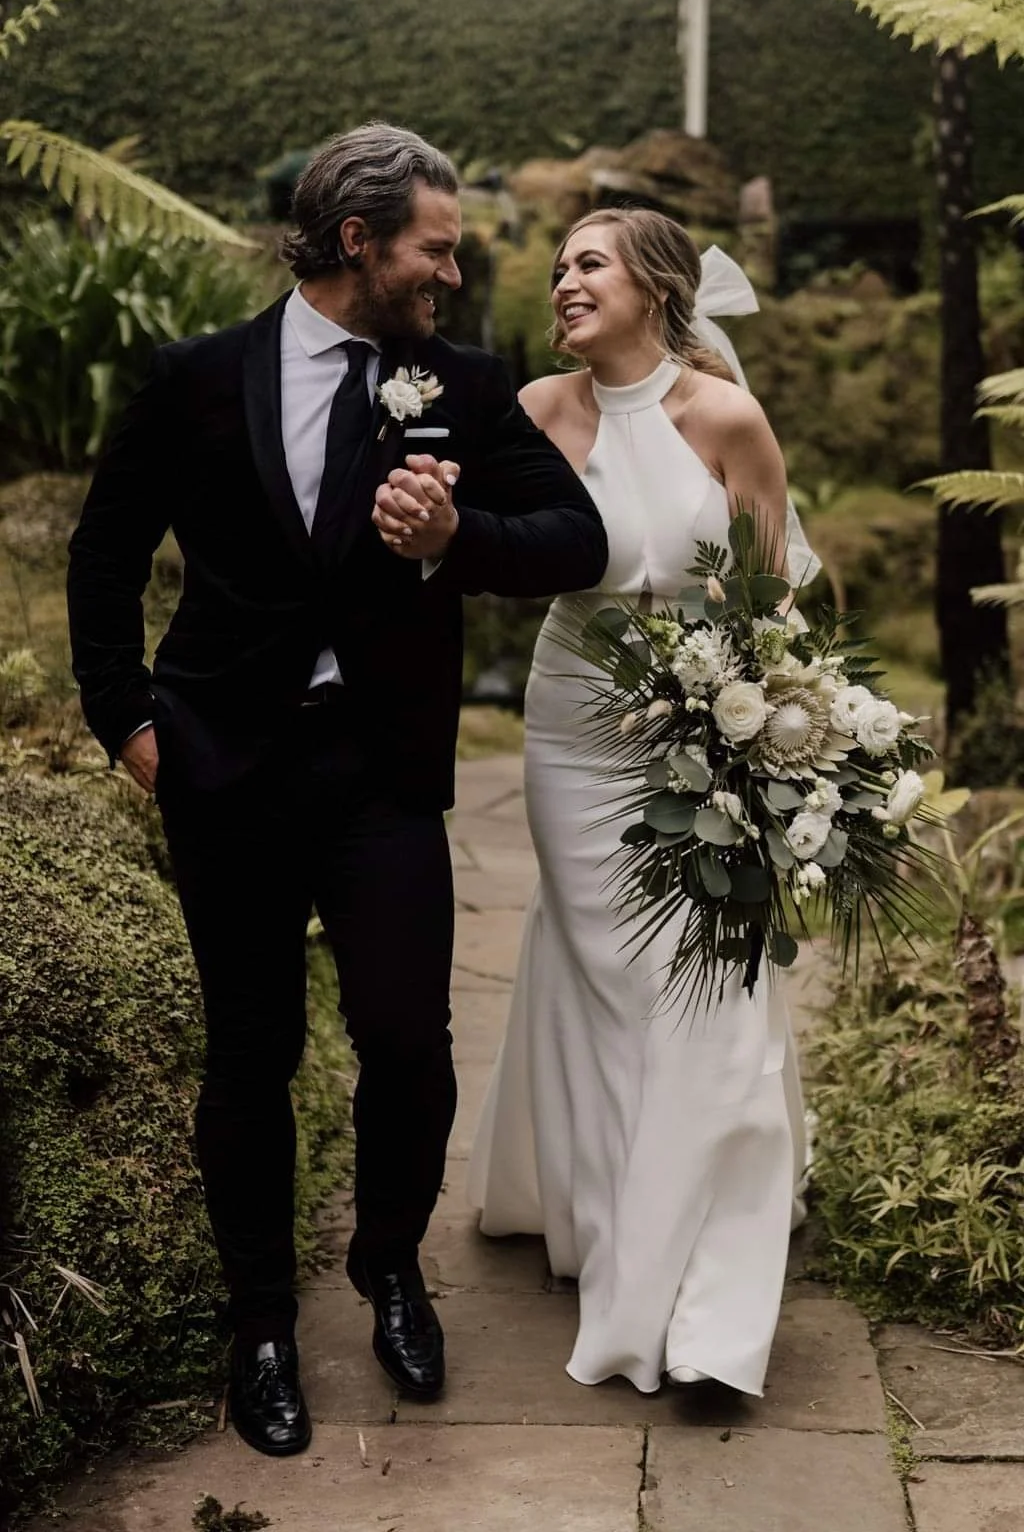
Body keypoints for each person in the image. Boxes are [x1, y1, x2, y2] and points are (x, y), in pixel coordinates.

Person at [66, 124, 607, 1457]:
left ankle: (387, 1263)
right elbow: (103, 557)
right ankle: (260, 1322)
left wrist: (454, 540)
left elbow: (574, 539)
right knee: (250, 1053)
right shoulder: (195, 378)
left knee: (411, 1047)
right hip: (224, 766)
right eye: (436, 242)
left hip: (380, 772)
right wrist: (130, 724)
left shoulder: (460, 382)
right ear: (357, 242)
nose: (456, 263)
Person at [458, 208, 811, 1398]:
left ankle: (708, 1306)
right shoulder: (535, 414)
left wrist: (784, 740)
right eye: (556, 267)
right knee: (610, 970)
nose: (563, 281)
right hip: (575, 722)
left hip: (717, 723)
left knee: (708, 984)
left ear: (655, 286)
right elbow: (486, 547)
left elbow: (780, 597)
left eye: (587, 263)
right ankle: (609, 1220)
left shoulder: (726, 418)